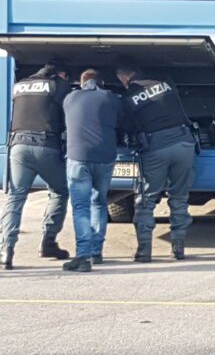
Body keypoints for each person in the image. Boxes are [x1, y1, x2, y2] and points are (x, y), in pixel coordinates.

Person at [116, 60, 197, 262]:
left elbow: (127, 126)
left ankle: (144, 251)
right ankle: (178, 249)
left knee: (146, 200)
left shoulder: (128, 97)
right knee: (179, 198)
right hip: (184, 144)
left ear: (125, 78)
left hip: (156, 147)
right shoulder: (165, 83)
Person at [0, 61, 72, 270]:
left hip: (18, 146)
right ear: (61, 74)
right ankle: (48, 242)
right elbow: (69, 114)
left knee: (15, 196)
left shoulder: (21, 84)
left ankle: (7, 249)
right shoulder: (59, 85)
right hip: (45, 145)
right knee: (60, 191)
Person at [61, 70, 124, 272]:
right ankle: (96, 252)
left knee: (81, 207)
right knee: (99, 202)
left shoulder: (70, 98)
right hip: (105, 157)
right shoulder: (110, 97)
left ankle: (83, 256)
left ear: (80, 83)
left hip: (78, 157)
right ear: (101, 82)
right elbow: (121, 120)